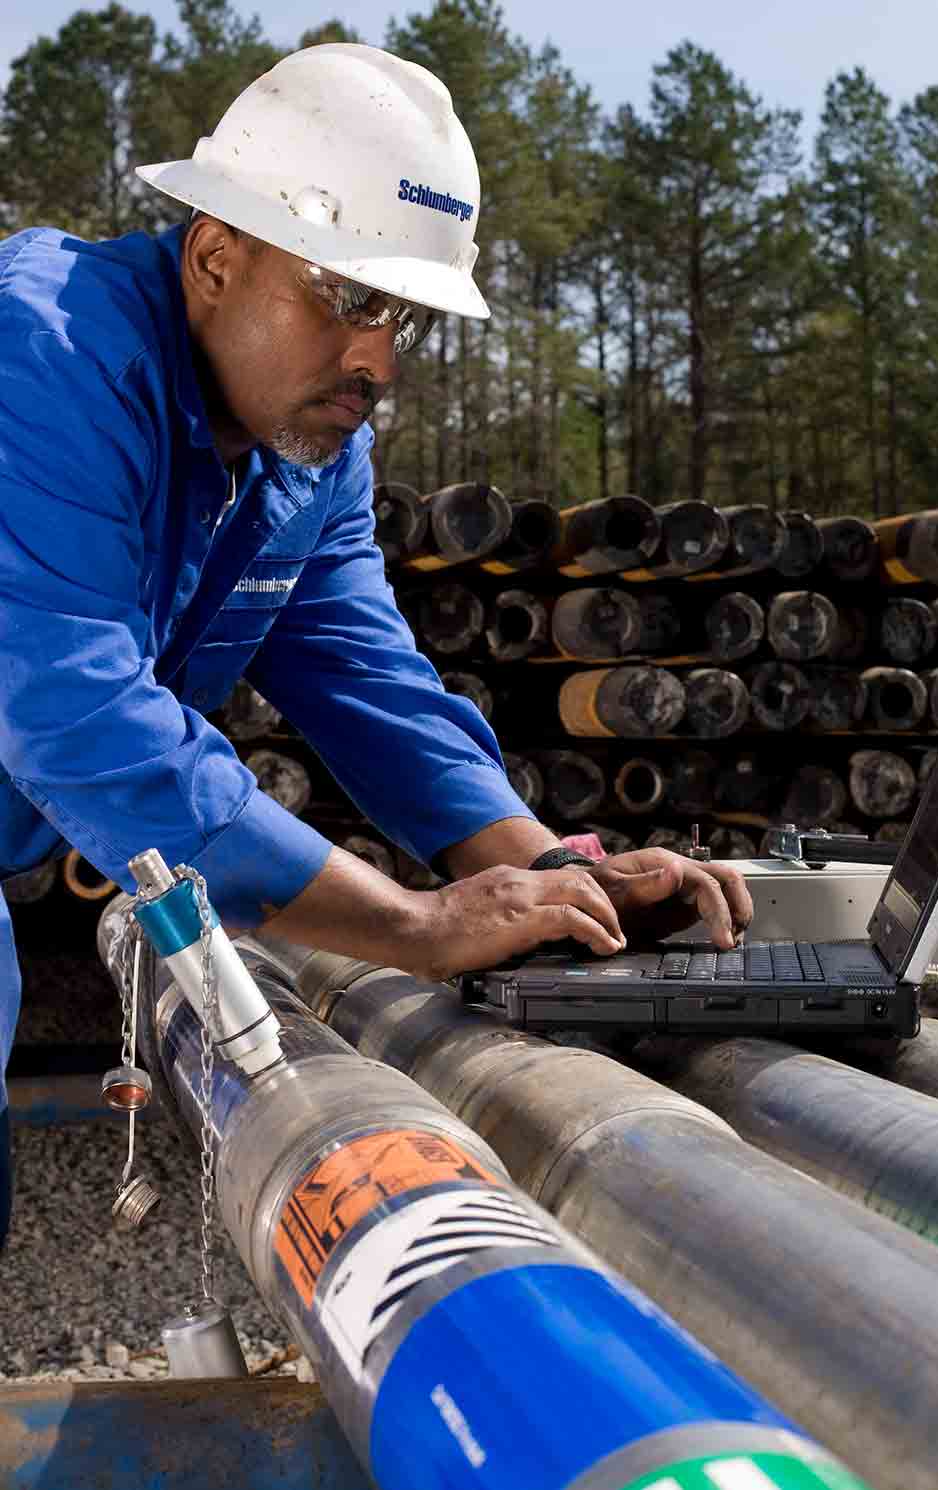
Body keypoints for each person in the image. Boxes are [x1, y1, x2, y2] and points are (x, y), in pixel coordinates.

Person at [0, 44, 752, 1245]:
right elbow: (73, 710)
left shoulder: (308, 450)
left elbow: (369, 678)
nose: (382, 359)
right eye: (349, 297)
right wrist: (412, 924)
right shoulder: (47, 356)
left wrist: (557, 868)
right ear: (214, 258)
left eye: (399, 312)